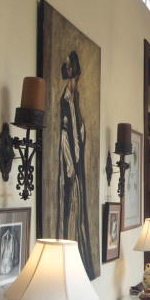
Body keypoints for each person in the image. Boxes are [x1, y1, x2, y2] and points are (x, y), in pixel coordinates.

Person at [58, 50, 94, 279]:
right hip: (71, 169)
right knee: (72, 214)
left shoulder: (76, 98)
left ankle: (78, 263)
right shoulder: (65, 100)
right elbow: (63, 137)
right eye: (76, 76)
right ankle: (71, 266)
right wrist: (71, 168)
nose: (77, 80)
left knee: (79, 215)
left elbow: (78, 131)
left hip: (77, 165)